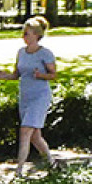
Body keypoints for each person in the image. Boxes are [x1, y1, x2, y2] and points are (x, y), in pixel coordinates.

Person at [10, 15, 59, 171]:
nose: (24, 36)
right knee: (35, 136)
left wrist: (41, 75)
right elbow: (16, 74)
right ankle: (52, 164)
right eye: (23, 33)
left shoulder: (45, 53)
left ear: (36, 35)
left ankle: (19, 171)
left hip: (39, 96)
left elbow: (53, 74)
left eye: (27, 33)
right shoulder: (21, 52)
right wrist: (4, 75)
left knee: (25, 131)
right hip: (25, 96)